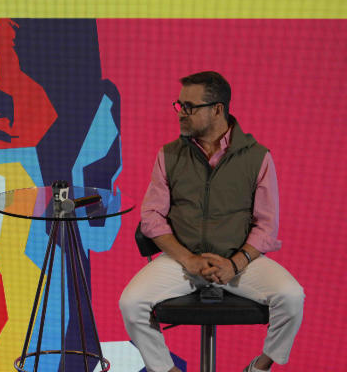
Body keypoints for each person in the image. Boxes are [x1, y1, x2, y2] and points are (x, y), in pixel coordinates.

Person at [119, 71, 304, 372]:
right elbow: (151, 217)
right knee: (131, 304)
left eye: (190, 107)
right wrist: (188, 259)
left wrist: (235, 263)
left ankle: (259, 367)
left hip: (238, 262)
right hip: (182, 260)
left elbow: (266, 227)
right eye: (179, 106)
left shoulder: (258, 157)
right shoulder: (169, 154)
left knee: (292, 297)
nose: (182, 114)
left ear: (217, 109)